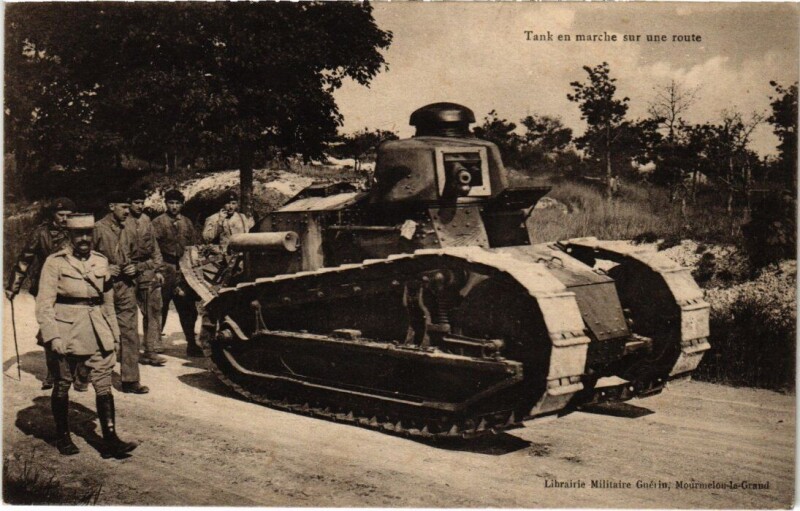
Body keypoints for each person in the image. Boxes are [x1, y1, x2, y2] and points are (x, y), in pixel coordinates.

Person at [35, 213, 138, 457]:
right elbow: (44, 304)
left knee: (103, 383)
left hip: (97, 329)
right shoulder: (55, 262)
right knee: (63, 382)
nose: (84, 238)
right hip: (66, 331)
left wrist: (114, 335)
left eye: (87, 234)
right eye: (78, 234)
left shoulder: (100, 261)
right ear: (69, 235)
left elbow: (108, 303)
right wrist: (53, 336)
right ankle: (63, 437)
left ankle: (110, 439)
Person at [5, 197, 89, 392]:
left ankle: (78, 373)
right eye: (61, 215)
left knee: (77, 329)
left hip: (72, 288)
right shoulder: (41, 233)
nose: (65, 219)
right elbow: (25, 259)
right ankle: (54, 373)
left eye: (69, 215)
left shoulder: (79, 232)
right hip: (46, 288)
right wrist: (13, 287)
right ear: (53, 215)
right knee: (50, 330)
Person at [93, 191, 149, 394]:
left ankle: (130, 380)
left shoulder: (130, 228)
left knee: (130, 331)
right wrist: (105, 268)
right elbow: (82, 258)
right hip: (102, 287)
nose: (127, 211)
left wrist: (135, 268)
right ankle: (87, 372)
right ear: (111, 207)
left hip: (125, 286)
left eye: (128, 207)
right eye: (123, 207)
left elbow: (139, 256)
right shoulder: (97, 229)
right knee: (97, 330)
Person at [152, 189, 201, 357]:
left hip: (183, 269)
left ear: (182, 204)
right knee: (161, 306)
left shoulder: (187, 222)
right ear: (166, 203)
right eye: (171, 203)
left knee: (188, 307)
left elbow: (192, 246)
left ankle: (191, 343)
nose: (174, 206)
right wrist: (157, 269)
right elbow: (153, 248)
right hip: (165, 268)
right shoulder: (158, 222)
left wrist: (193, 268)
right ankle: (156, 342)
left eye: (177, 203)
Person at [126, 189, 166, 366]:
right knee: (127, 313)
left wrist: (158, 270)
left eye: (142, 202)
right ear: (129, 204)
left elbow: (155, 248)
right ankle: (129, 351)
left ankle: (151, 350)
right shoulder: (122, 221)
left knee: (153, 309)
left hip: (146, 269)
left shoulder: (146, 220)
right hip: (127, 271)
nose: (139, 206)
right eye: (136, 202)